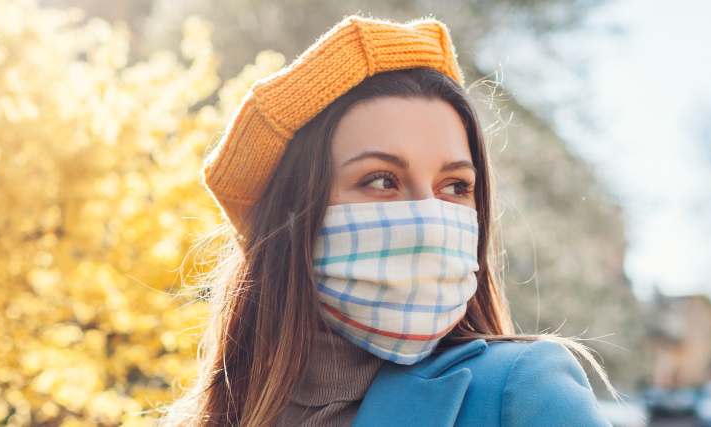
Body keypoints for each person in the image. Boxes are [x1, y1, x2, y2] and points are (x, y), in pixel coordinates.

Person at [162, 15, 614, 427]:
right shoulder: (220, 415)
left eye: (455, 186)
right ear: (293, 216)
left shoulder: (522, 390)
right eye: (382, 180)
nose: (429, 219)